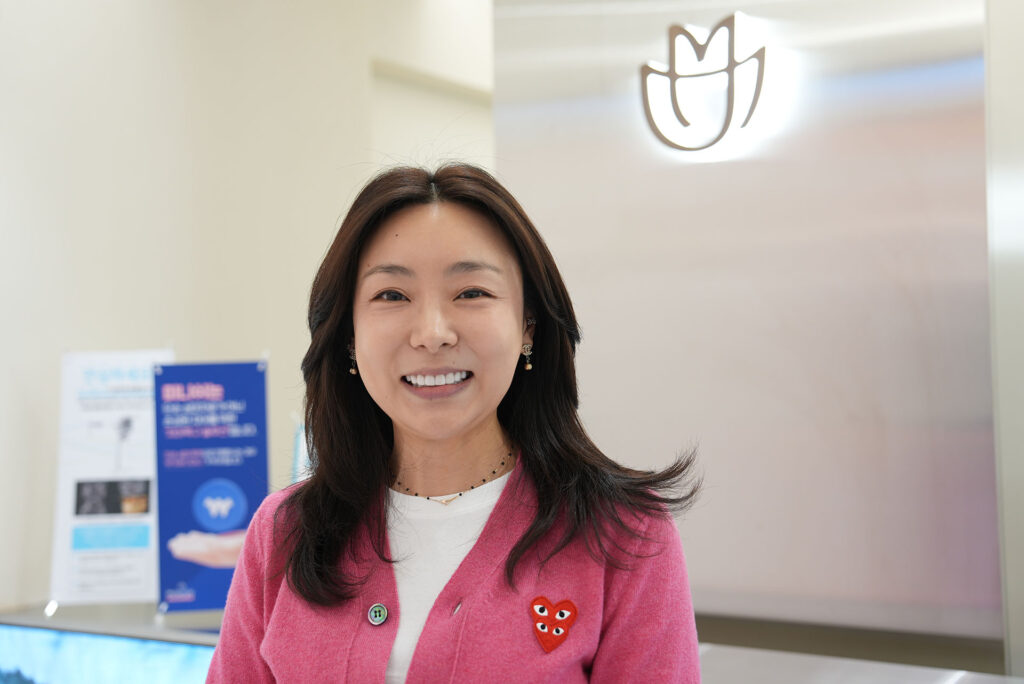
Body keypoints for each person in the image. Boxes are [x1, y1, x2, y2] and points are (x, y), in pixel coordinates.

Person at [207, 163, 701, 682]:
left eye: (471, 293)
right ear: (349, 336)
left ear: (527, 325)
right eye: (392, 296)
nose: (433, 333)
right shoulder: (284, 532)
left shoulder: (624, 538)